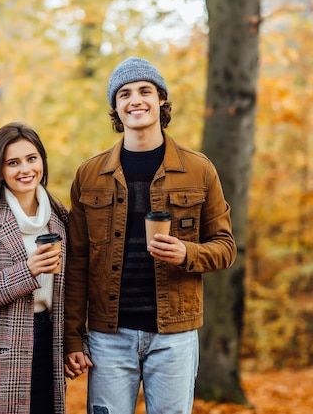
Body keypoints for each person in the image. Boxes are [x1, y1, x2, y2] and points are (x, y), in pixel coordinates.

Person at [63, 57, 237, 414]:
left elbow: (226, 247)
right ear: (116, 107)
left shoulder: (199, 169)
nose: (135, 100)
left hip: (174, 335)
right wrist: (72, 336)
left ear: (161, 100)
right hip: (108, 336)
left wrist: (187, 254)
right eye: (124, 94)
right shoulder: (89, 175)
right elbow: (77, 263)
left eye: (145, 91)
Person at [0, 122, 68, 414]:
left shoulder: (60, 218)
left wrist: (77, 343)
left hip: (47, 340)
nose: (25, 169)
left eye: (32, 158)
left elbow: (73, 286)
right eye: (13, 163)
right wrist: (26, 271)